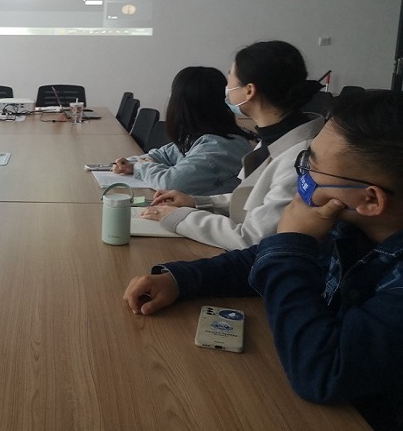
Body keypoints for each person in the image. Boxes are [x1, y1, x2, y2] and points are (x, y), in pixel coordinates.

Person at [123, 90, 403, 430]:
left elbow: (321, 372)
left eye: (312, 166)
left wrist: (292, 243)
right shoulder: (349, 225)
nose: (303, 175)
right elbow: (259, 260)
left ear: (370, 200)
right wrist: (181, 279)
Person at [139, 40, 324, 250]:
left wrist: (179, 216)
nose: (226, 90)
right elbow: (253, 200)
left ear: (249, 91)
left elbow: (253, 237)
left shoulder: (300, 157)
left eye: (230, 79)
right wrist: (196, 201)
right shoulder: (274, 137)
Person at [111, 66, 253, 195]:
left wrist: (142, 166)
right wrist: (131, 163)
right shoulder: (199, 136)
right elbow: (164, 154)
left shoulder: (219, 147)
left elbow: (170, 183)